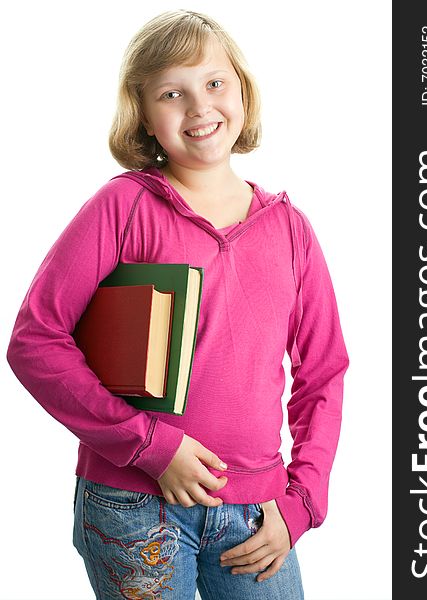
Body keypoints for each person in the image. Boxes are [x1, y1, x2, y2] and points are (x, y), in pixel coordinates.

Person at [6, 9, 349, 600]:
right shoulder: (123, 208)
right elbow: (36, 341)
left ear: (241, 88)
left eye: (214, 83)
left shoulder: (291, 230)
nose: (199, 107)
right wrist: (150, 446)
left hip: (255, 511)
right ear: (143, 114)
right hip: (134, 506)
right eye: (172, 92)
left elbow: (324, 372)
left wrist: (304, 500)